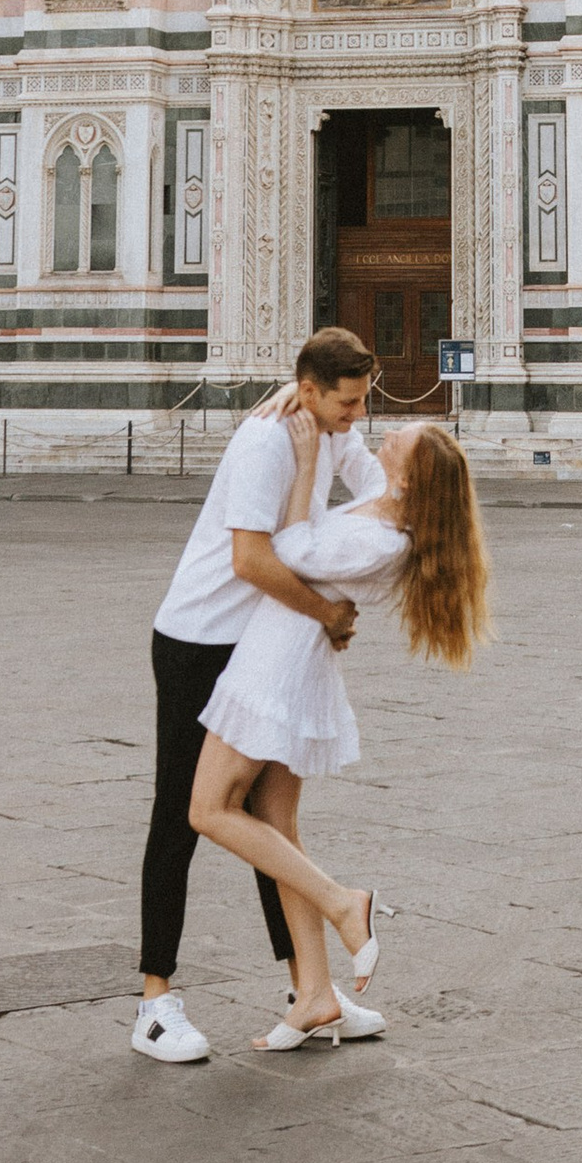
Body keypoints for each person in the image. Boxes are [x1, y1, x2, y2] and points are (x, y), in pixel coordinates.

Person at [189, 407, 491, 1049]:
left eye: (396, 443)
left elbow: (291, 549)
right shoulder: (386, 507)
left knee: (209, 810)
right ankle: (317, 996)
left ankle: (342, 902)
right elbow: (350, 442)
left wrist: (301, 469)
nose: (383, 436)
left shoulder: (382, 539)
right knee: (276, 829)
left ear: (409, 482)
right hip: (290, 660)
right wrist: (305, 396)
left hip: (276, 667)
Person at [133, 330, 383, 1066]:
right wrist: (328, 611)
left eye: (363, 400)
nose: (356, 414)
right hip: (197, 640)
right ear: (307, 390)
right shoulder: (265, 441)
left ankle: (312, 992)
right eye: (347, 400)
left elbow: (379, 492)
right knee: (182, 814)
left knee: (270, 822)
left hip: (259, 644)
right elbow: (250, 557)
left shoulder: (330, 430)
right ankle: (154, 1003)